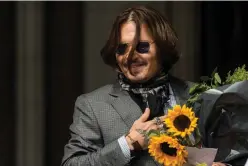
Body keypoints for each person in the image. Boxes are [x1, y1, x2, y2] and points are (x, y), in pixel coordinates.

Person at [61, 6, 227, 166]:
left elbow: (234, 156)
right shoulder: (93, 105)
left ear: (162, 48)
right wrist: (128, 144)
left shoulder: (202, 97)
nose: (130, 56)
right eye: (122, 48)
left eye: (142, 46)